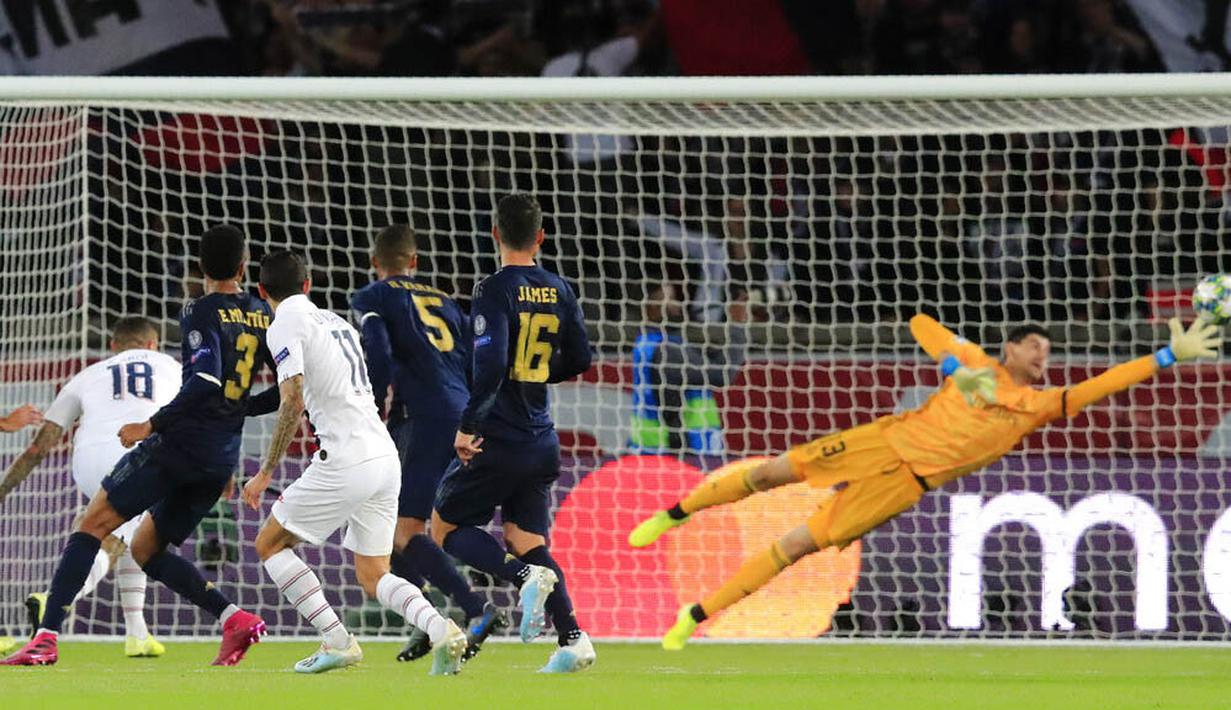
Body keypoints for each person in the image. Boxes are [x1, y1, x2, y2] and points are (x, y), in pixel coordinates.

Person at [629, 313, 1222, 649]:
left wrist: (1167, 356)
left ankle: (694, 617)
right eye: (1035, 346)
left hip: (905, 483)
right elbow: (921, 323)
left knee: (795, 546)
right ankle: (673, 515)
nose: (1044, 357)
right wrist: (955, 369)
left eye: (1048, 351)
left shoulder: (1036, 405)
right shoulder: (977, 366)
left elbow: (1098, 386)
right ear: (1010, 347)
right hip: (882, 440)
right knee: (768, 473)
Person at [2, 225, 274, 667]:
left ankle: (46, 637)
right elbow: (285, 389)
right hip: (221, 453)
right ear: (244, 268)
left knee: (91, 525)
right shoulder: (264, 314)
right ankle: (233, 618)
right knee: (146, 549)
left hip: (175, 446)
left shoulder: (199, 310)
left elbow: (204, 381)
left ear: (200, 269)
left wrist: (150, 424)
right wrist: (239, 411)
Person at [242, 251, 467, 676]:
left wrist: (267, 471)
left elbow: (292, 398)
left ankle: (336, 639)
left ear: (261, 291)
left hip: (345, 457)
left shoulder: (284, 323)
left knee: (269, 544)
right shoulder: (337, 322)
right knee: (374, 573)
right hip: (383, 455)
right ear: (308, 285)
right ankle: (441, 628)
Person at [430, 193, 596, 673]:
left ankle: (524, 578)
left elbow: (492, 364)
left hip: (499, 437)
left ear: (495, 233)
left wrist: (468, 427)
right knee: (527, 539)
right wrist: (537, 373)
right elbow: (581, 358)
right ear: (540, 237)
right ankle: (573, 639)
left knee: (444, 528)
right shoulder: (560, 288)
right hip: (541, 438)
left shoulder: (494, 289)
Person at [351, 225, 505, 664]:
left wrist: (373, 403)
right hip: (459, 416)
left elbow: (378, 352)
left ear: (374, 262)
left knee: (403, 530)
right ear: (414, 261)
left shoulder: (372, 297)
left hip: (420, 416)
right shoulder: (447, 302)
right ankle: (424, 621)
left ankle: (476, 609)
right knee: (396, 526)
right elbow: (474, 362)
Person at [0, 317, 179, 657]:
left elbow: (38, 448)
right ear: (153, 345)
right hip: (140, 452)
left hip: (88, 458)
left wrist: (3, 489)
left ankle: (137, 633)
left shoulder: (87, 375)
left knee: (133, 532)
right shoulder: (171, 366)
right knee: (114, 538)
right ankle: (53, 599)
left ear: (113, 346)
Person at [628, 284, 746, 456]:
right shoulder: (667, 350)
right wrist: (737, 324)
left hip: (657, 448)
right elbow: (722, 374)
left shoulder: (649, 344)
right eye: (669, 299)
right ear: (650, 307)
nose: (677, 305)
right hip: (681, 452)